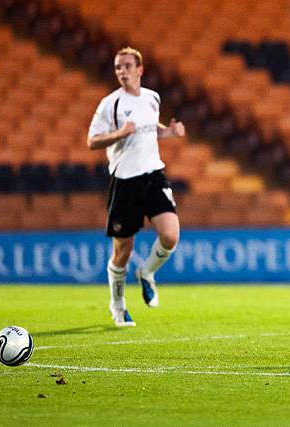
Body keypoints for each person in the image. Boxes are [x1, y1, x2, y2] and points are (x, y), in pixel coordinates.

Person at [87, 47, 185, 327]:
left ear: (140, 70)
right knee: (123, 250)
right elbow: (92, 141)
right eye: (118, 67)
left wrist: (169, 132)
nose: (122, 71)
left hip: (153, 174)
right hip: (125, 180)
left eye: (128, 66)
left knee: (170, 235)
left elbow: (150, 129)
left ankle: (147, 273)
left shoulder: (152, 98)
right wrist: (119, 133)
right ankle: (117, 305)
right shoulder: (110, 104)